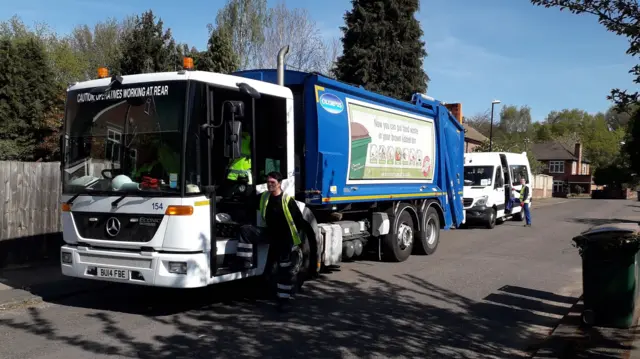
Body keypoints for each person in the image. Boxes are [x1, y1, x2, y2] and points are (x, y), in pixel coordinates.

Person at [235, 171, 315, 311]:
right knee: (246, 230)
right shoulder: (264, 197)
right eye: (268, 182)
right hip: (270, 235)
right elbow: (249, 204)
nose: (269, 185)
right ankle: (244, 262)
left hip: (284, 239)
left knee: (284, 271)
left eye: (272, 183)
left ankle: (284, 300)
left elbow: (299, 222)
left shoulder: (287, 200)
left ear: (279, 184)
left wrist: (298, 243)